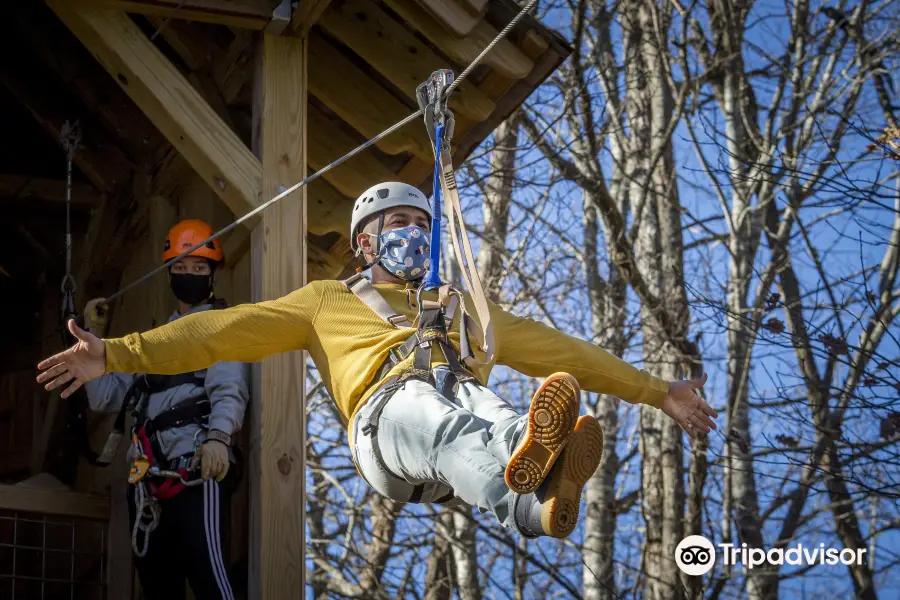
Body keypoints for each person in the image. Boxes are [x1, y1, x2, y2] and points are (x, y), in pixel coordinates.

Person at [37, 183, 716, 540]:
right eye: (398, 227)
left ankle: (539, 469)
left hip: (455, 444)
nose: (413, 237)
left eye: (421, 227)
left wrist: (657, 392)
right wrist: (118, 354)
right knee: (429, 405)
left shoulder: (461, 310)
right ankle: (529, 502)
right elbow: (221, 333)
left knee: (484, 402)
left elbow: (564, 353)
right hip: (385, 433)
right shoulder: (326, 301)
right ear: (365, 244)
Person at [81, 219, 249, 600]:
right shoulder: (151, 344)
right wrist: (93, 340)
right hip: (148, 485)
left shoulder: (220, 327)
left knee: (212, 583)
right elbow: (104, 396)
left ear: (213, 275)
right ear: (169, 273)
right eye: (181, 267)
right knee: (158, 590)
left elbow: (229, 389)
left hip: (195, 470)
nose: (189, 274)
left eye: (199, 267)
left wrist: (219, 438)